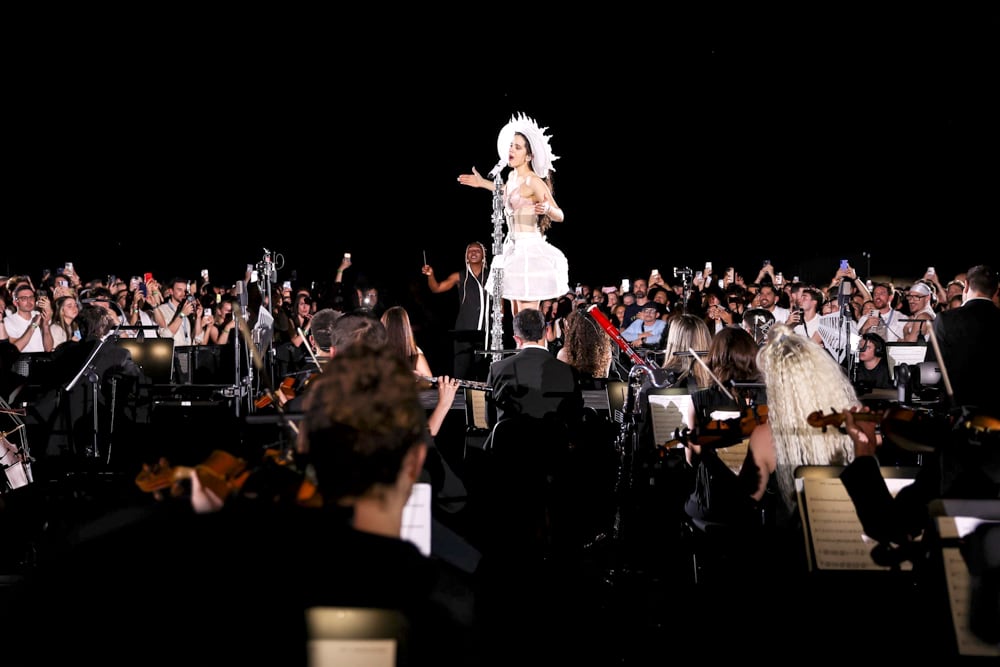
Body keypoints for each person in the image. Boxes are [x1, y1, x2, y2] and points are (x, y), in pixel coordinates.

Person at [458, 112, 569, 315]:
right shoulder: (512, 176)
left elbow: (559, 214)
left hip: (530, 249)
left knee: (529, 315)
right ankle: (524, 348)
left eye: (517, 147)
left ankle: (537, 347)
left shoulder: (533, 181)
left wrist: (547, 209)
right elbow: (506, 191)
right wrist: (482, 183)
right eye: (511, 145)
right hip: (513, 248)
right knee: (516, 314)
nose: (511, 150)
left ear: (528, 155)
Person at [422, 241, 491, 381]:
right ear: (466, 257)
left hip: (485, 329)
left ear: (484, 256)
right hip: (464, 329)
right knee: (461, 369)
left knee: (483, 369)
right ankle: (458, 399)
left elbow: (499, 300)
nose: (473, 252)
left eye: (477, 250)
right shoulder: (460, 276)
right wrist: (431, 275)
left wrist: (499, 319)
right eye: (470, 251)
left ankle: (484, 400)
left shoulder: (492, 276)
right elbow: (436, 288)